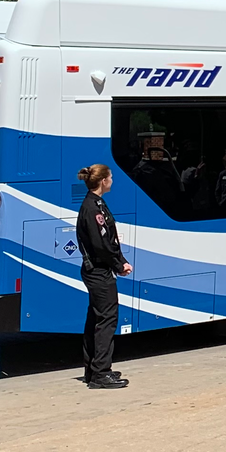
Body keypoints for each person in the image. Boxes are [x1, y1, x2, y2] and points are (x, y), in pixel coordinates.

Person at [75, 164, 130, 389]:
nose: (113, 180)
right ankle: (100, 373)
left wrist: (119, 260)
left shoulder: (95, 203)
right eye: (111, 177)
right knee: (106, 320)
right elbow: (102, 245)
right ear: (103, 181)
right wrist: (119, 264)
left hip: (97, 270)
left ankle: (93, 368)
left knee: (96, 318)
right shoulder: (92, 208)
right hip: (98, 272)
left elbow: (109, 240)